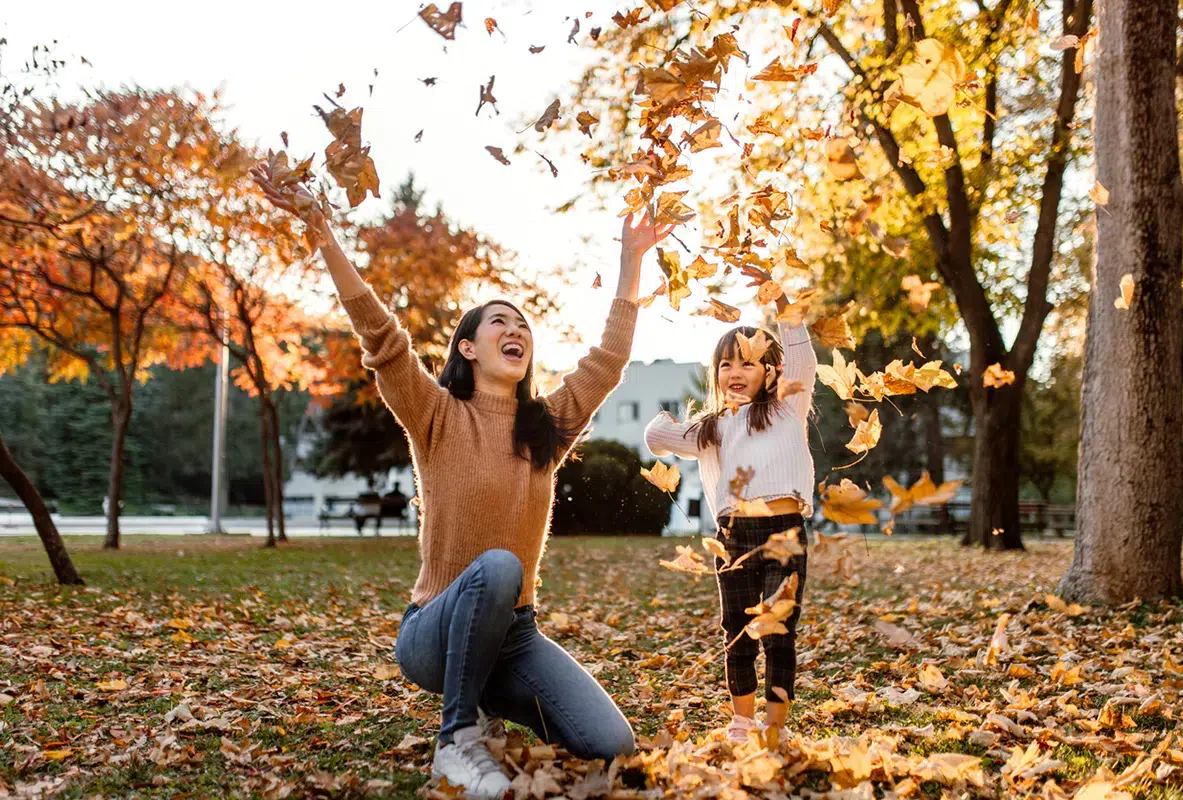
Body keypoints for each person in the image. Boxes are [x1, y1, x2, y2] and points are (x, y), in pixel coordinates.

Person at [252, 163, 672, 799]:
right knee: (499, 565)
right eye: (499, 321)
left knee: (610, 747)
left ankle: (478, 696)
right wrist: (324, 235)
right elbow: (381, 337)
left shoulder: (547, 428)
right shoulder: (436, 415)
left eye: (523, 325)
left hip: (516, 636)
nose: (516, 330)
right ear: (468, 348)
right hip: (432, 630)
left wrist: (630, 260)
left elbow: (608, 361)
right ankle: (456, 740)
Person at [643, 289, 817, 744]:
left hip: (785, 530)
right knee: (738, 629)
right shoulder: (714, 427)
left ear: (770, 370)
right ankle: (742, 721)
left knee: (777, 629)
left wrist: (780, 300)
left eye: (748, 362)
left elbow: (803, 357)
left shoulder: (786, 407)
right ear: (716, 375)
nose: (736, 372)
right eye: (726, 364)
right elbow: (656, 437)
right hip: (735, 535)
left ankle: (774, 726)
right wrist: (665, 426)